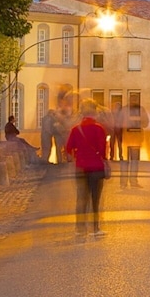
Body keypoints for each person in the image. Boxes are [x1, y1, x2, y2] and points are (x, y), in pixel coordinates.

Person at [63, 100, 110, 239]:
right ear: (94, 112)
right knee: (95, 199)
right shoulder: (99, 128)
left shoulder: (76, 129)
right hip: (96, 167)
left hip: (81, 167)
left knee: (81, 198)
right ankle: (95, 228)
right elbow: (102, 149)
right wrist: (104, 158)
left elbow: (68, 148)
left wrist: (75, 156)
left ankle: (80, 229)